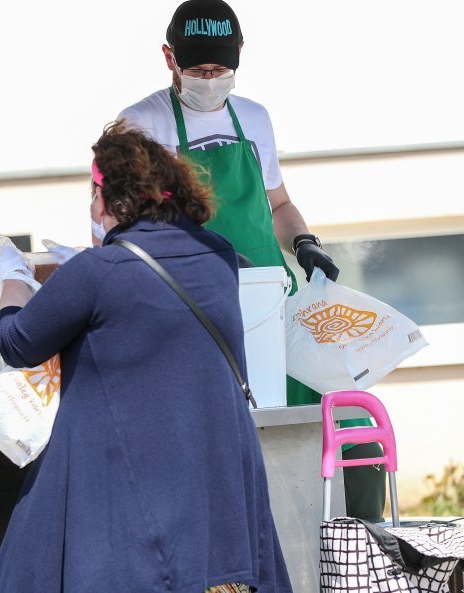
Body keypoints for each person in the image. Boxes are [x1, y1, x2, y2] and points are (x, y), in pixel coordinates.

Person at [0, 122, 291, 593]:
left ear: (108, 198)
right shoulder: (217, 255)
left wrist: (11, 283)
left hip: (125, 492)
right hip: (211, 485)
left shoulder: (99, 271)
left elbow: (19, 342)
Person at [116, 0, 384, 523]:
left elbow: (277, 203)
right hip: (196, 310)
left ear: (240, 54)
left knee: (328, 413)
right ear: (169, 57)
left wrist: (304, 242)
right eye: (197, 69)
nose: (210, 79)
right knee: (224, 437)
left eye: (220, 69)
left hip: (270, 302)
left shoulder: (255, 118)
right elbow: (126, 231)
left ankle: (345, 539)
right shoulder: (140, 124)